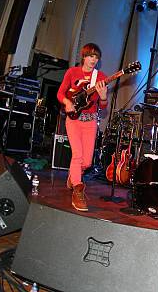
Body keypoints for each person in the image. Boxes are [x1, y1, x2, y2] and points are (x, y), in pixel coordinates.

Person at [57, 43, 108, 211]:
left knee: (86, 162)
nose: (93, 60)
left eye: (96, 57)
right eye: (91, 56)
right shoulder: (72, 72)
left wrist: (103, 97)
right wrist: (67, 102)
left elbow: (103, 107)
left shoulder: (100, 77)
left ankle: (74, 175)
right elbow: (60, 93)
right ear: (84, 56)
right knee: (77, 156)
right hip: (74, 120)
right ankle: (78, 190)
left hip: (90, 121)